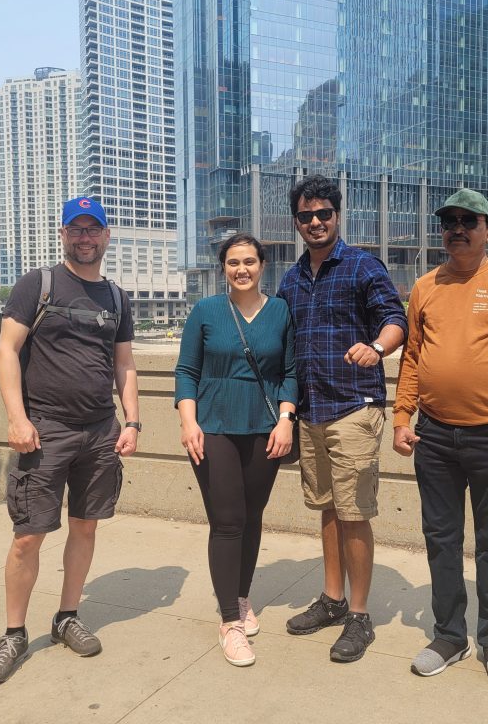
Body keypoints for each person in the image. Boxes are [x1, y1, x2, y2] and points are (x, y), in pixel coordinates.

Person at [0, 197, 138, 685]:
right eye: (77, 229)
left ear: (107, 236)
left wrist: (131, 421)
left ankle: (67, 615)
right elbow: (7, 349)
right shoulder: (38, 284)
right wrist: (17, 418)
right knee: (29, 535)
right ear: (64, 234)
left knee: (85, 528)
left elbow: (124, 364)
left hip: (99, 431)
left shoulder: (115, 297)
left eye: (94, 229)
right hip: (44, 430)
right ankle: (12, 633)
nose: (85, 237)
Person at [392, 188, 488, 687]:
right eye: (449, 221)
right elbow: (412, 357)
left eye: (469, 221)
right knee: (441, 540)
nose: (457, 228)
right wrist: (401, 418)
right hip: (434, 438)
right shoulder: (424, 286)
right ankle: (450, 635)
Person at [277, 174, 407, 663]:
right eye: (307, 216)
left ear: (337, 215)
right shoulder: (291, 279)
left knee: (354, 514)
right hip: (311, 411)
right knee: (328, 509)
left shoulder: (361, 266)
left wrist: (376, 348)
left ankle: (358, 613)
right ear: (297, 222)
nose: (315, 222)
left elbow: (397, 320)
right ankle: (331, 599)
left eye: (324, 214)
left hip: (354, 407)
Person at [174, 233, 298, 667]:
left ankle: (241, 597)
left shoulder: (281, 311)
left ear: (263, 265)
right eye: (232, 262)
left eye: (249, 261)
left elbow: (290, 372)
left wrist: (286, 420)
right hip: (214, 428)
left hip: (266, 430)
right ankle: (229, 622)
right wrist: (189, 422)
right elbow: (187, 370)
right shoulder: (206, 311)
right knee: (227, 522)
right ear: (222, 268)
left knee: (251, 517)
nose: (241, 269)